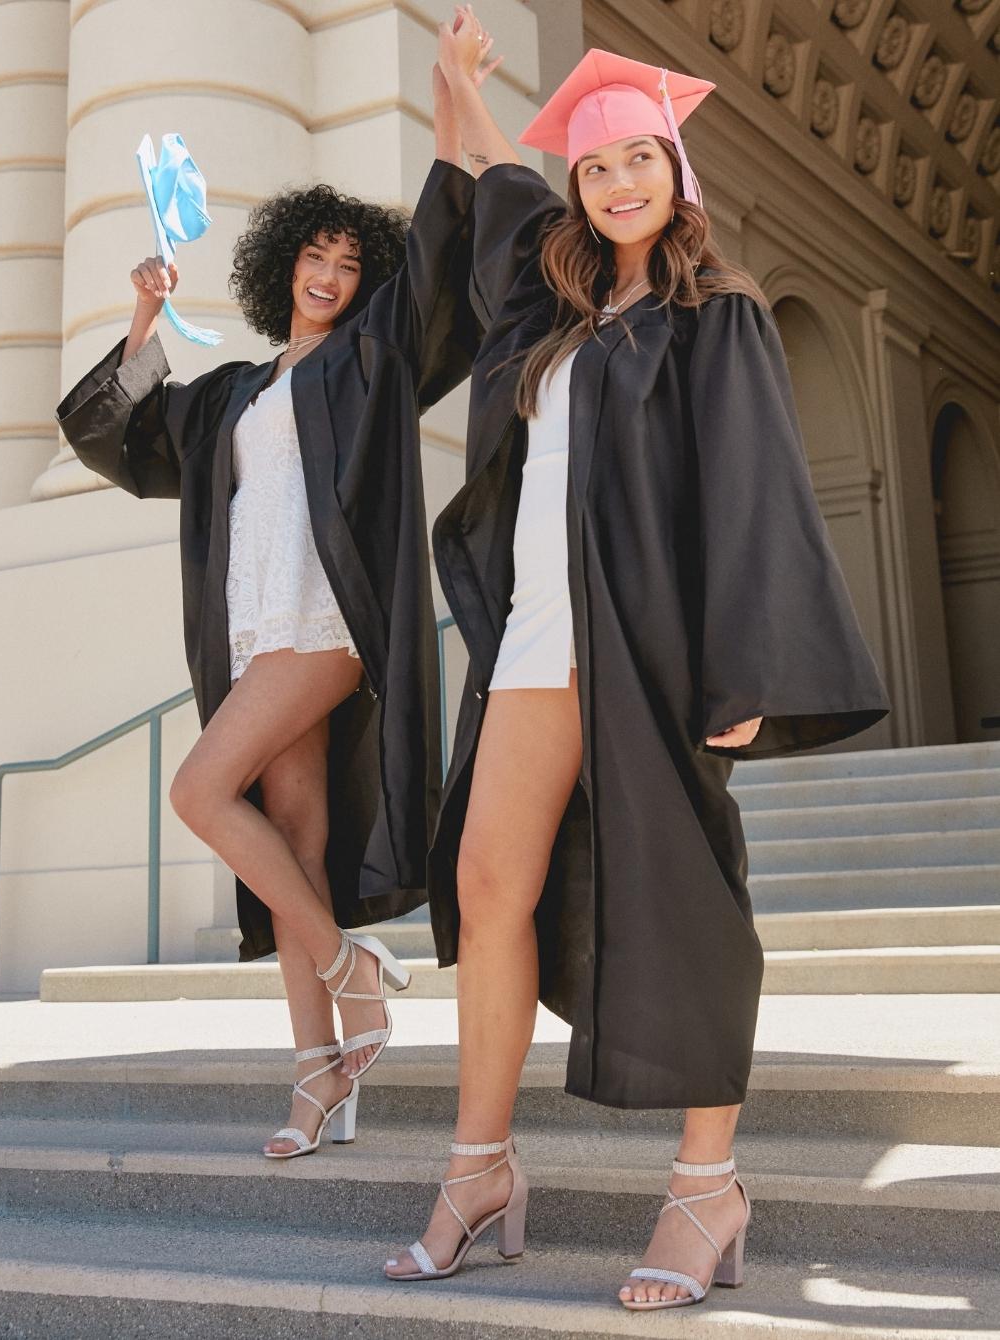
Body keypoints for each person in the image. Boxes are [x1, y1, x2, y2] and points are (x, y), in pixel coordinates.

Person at [384, 18, 890, 1311]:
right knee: (486, 883)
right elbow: (490, 180)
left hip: (653, 647)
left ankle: (704, 1186)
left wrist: (746, 674)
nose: (614, 183)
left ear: (676, 173)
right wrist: (453, 89)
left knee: (687, 906)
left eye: (636, 161)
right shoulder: (547, 301)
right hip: (536, 645)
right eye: (595, 168)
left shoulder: (710, 318)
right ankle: (478, 1167)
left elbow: (753, 492)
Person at [55, 45, 500, 1160]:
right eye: (316, 251)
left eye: (351, 259)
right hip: (257, 629)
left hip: (328, 623)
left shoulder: (373, 362)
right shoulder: (235, 394)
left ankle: (352, 970)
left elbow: (444, 261)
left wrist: (452, 102)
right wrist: (145, 318)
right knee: (292, 842)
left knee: (199, 787)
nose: (332, 270)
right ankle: (318, 1078)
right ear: (281, 266)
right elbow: (121, 436)